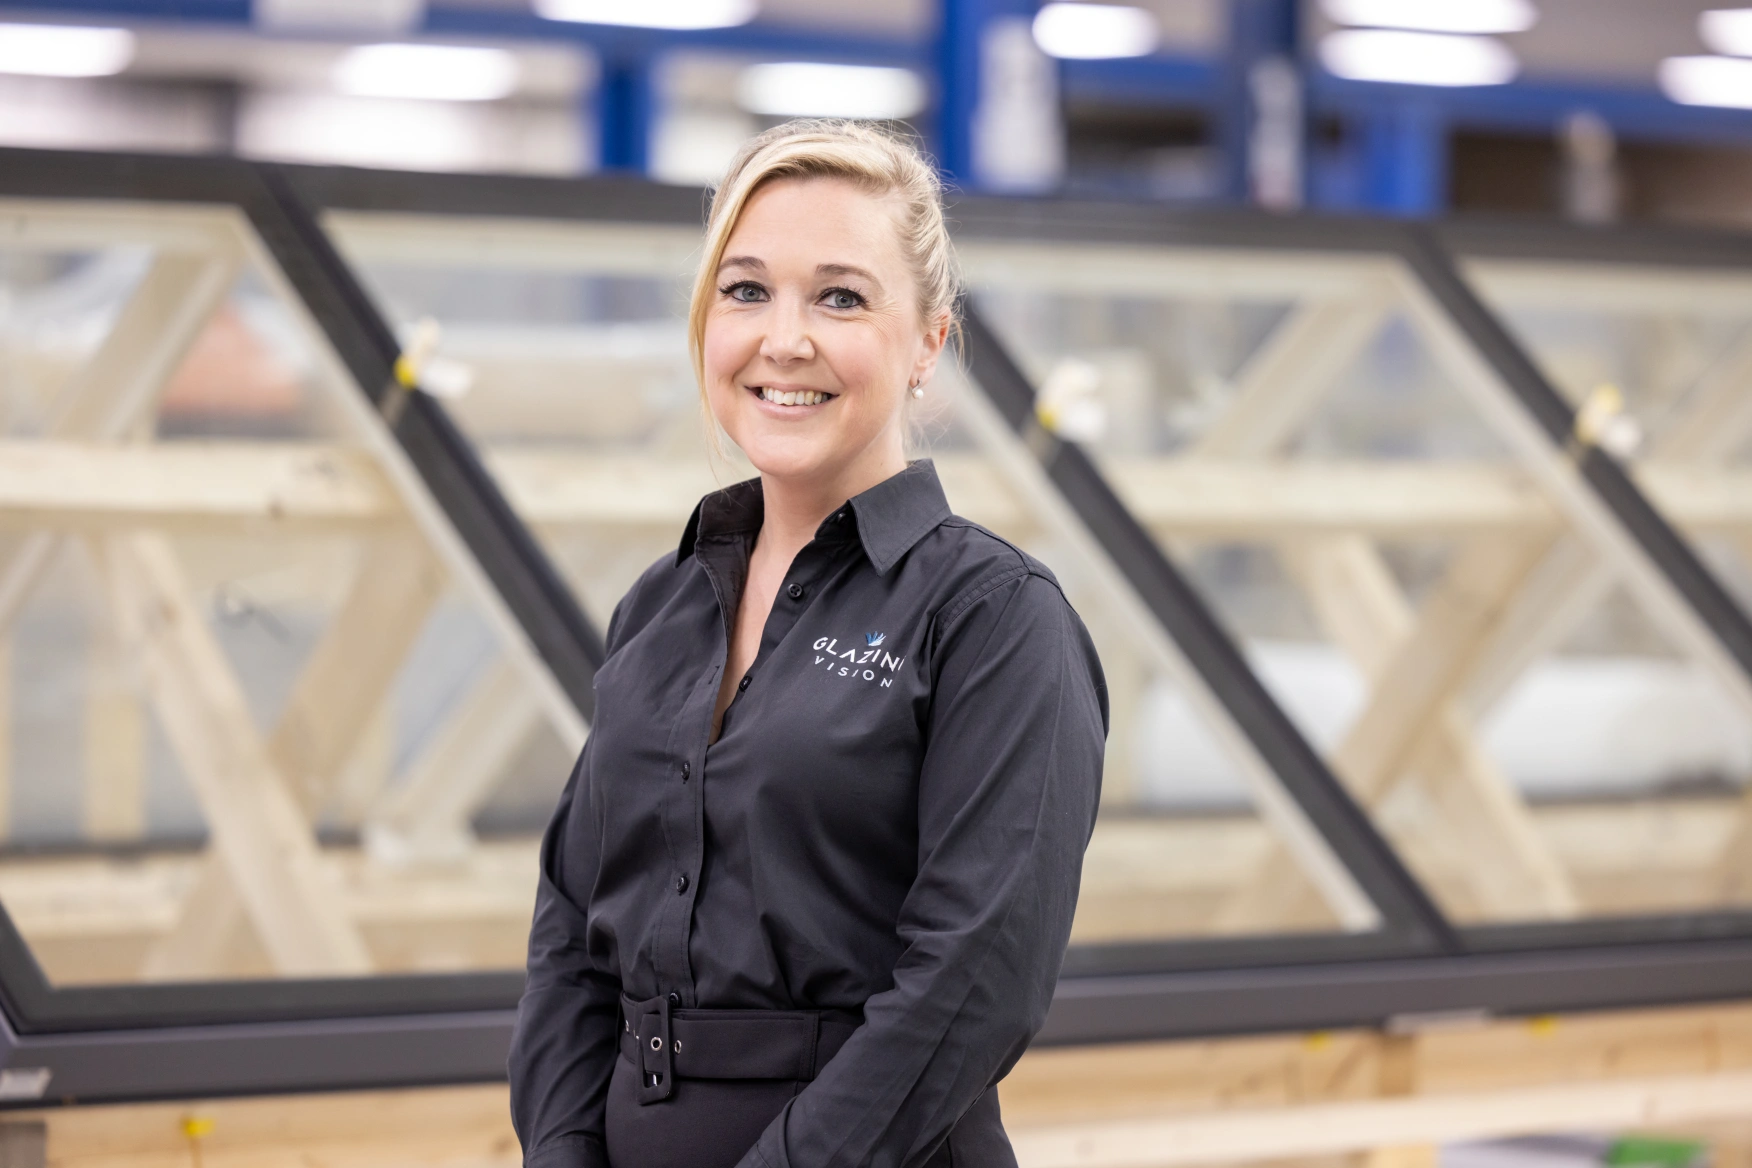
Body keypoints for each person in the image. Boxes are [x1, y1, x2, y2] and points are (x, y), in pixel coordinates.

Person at [508, 119, 1108, 1168]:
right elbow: (570, 929)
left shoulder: (995, 617)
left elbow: (973, 983)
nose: (784, 340)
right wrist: (560, 1150)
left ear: (928, 342)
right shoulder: (661, 606)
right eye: (746, 291)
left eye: (840, 298)